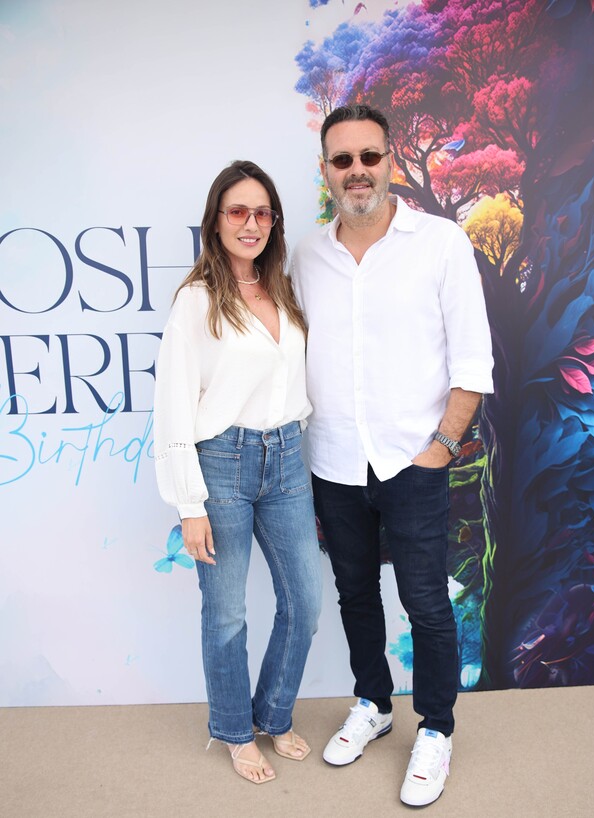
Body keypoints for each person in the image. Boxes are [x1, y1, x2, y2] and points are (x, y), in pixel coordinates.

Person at [291, 105, 494, 807]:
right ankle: (374, 704)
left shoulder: (440, 244)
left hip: (414, 462)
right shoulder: (306, 256)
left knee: (426, 602)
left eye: (369, 157)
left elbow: (473, 362)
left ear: (391, 162)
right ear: (326, 170)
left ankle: (435, 728)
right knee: (354, 594)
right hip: (334, 463)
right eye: (342, 159)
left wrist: (442, 448)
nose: (357, 171)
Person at [154, 160, 322, 785]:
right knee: (225, 612)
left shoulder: (284, 292)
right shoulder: (197, 300)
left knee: (305, 602)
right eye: (237, 211)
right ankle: (233, 730)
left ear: (274, 222)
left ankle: (273, 714)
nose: (250, 224)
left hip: (287, 461)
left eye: (262, 213)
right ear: (216, 221)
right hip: (221, 463)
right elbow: (173, 402)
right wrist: (188, 504)